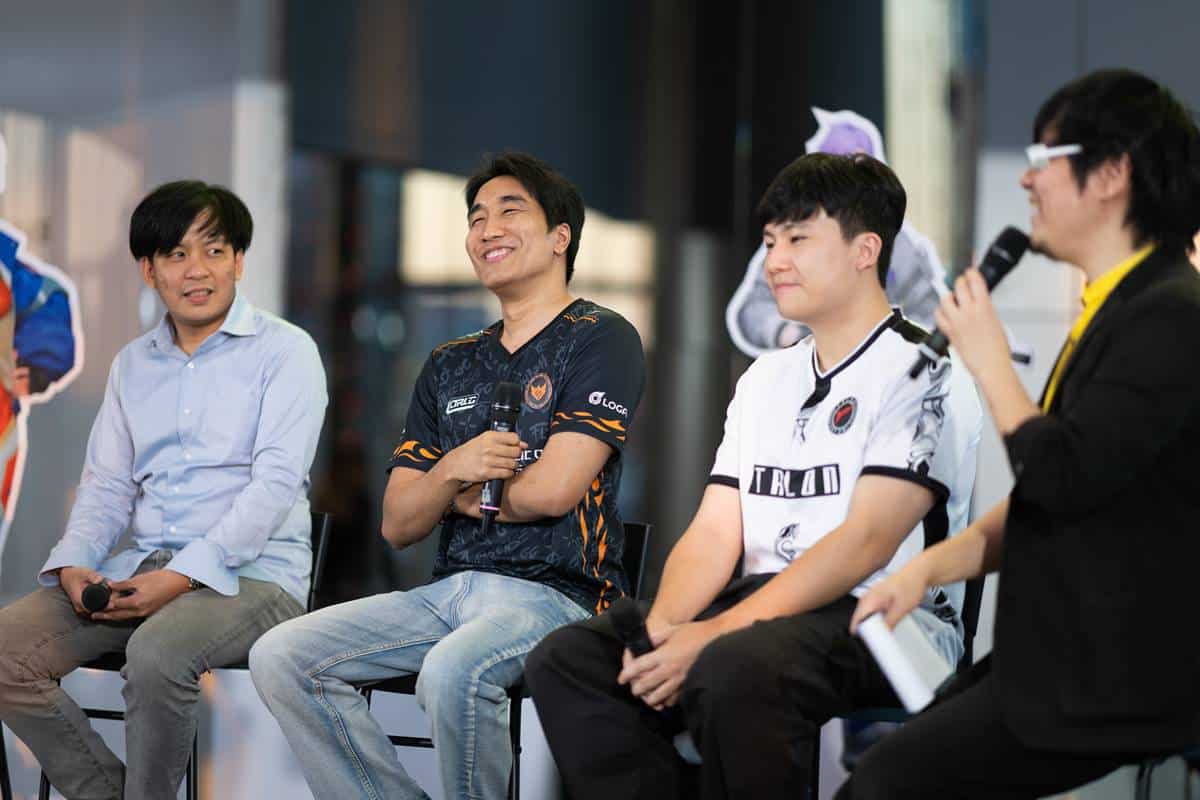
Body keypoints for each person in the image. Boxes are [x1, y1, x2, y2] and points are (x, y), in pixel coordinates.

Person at [526, 152, 980, 799]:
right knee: (573, 660)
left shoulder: (925, 371)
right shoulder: (767, 377)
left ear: (865, 250)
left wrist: (709, 635)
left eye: (798, 239)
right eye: (770, 242)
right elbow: (716, 532)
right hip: (760, 609)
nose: (775, 262)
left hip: (889, 621)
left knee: (734, 664)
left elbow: (866, 544)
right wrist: (664, 632)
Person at [837, 68, 1200, 799]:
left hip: (1109, 678)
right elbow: (1048, 497)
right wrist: (922, 572)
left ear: (1112, 174)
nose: (1027, 181)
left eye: (1044, 159)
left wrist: (990, 361)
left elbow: (1060, 477)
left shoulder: (1169, 314)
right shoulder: (1117, 305)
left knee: (883, 785)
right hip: (1049, 663)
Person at [249, 152, 646, 800]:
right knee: (281, 655)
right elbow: (398, 521)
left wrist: (448, 495)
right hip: (448, 594)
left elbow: (553, 492)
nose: (488, 229)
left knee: (451, 671)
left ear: (560, 237)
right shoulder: (449, 363)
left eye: (510, 211)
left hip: (559, 599)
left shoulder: (601, 336)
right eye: (476, 218)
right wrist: (457, 468)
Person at [0, 180, 327, 799]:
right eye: (177, 254)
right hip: (143, 568)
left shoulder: (287, 353)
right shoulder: (132, 365)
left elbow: (273, 487)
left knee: (156, 656)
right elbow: (105, 488)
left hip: (257, 577)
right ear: (149, 271)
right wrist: (74, 564)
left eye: (214, 251)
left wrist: (180, 578)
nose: (197, 270)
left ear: (238, 261)